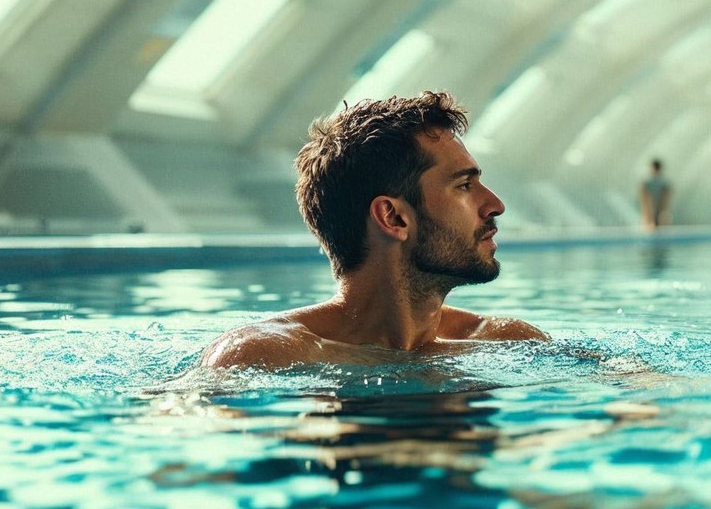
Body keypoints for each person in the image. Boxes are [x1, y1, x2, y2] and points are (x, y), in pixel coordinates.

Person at [198, 92, 545, 369]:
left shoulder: (506, 341)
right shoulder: (265, 354)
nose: (495, 205)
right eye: (464, 186)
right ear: (393, 218)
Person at [638, 158, 672, 229]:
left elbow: (644, 199)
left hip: (655, 213)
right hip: (654, 213)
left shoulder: (648, 182)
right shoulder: (663, 182)